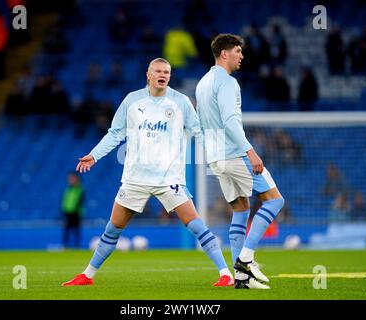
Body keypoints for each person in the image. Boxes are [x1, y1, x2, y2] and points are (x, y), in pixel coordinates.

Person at [62, 58, 233, 287]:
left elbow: (198, 132)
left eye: (167, 72)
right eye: (158, 71)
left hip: (169, 178)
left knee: (195, 223)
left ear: (169, 76)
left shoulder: (181, 102)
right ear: (148, 74)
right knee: (113, 229)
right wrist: (94, 155)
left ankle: (225, 274)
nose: (163, 75)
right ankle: (87, 275)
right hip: (135, 179)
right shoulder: (132, 101)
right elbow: (115, 134)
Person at [195, 34, 285, 289]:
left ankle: (241, 279)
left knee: (241, 209)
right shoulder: (228, 83)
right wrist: (250, 151)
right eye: (237, 51)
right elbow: (230, 122)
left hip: (215, 157)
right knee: (276, 200)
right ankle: (245, 260)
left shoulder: (203, 83)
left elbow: (203, 124)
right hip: (234, 153)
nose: (241, 56)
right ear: (224, 53)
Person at [61, 172, 85, 248]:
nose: (70, 180)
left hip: (76, 213)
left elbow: (80, 201)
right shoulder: (68, 189)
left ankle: (77, 245)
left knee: (76, 230)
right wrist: (64, 210)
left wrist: (77, 210)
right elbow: (65, 200)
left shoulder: (80, 189)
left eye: (72, 178)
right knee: (66, 230)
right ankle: (65, 246)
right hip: (67, 212)